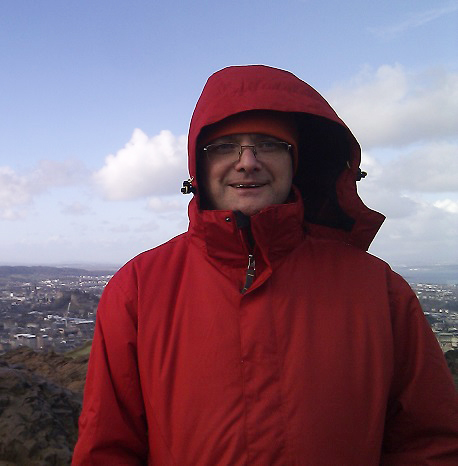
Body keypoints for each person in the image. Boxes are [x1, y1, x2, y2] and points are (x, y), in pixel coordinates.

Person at [72, 65, 458, 464]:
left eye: (268, 144)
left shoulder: (380, 291)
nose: (247, 162)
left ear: (295, 163)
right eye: (224, 146)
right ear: (197, 169)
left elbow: (429, 445)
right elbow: (108, 448)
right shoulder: (138, 289)